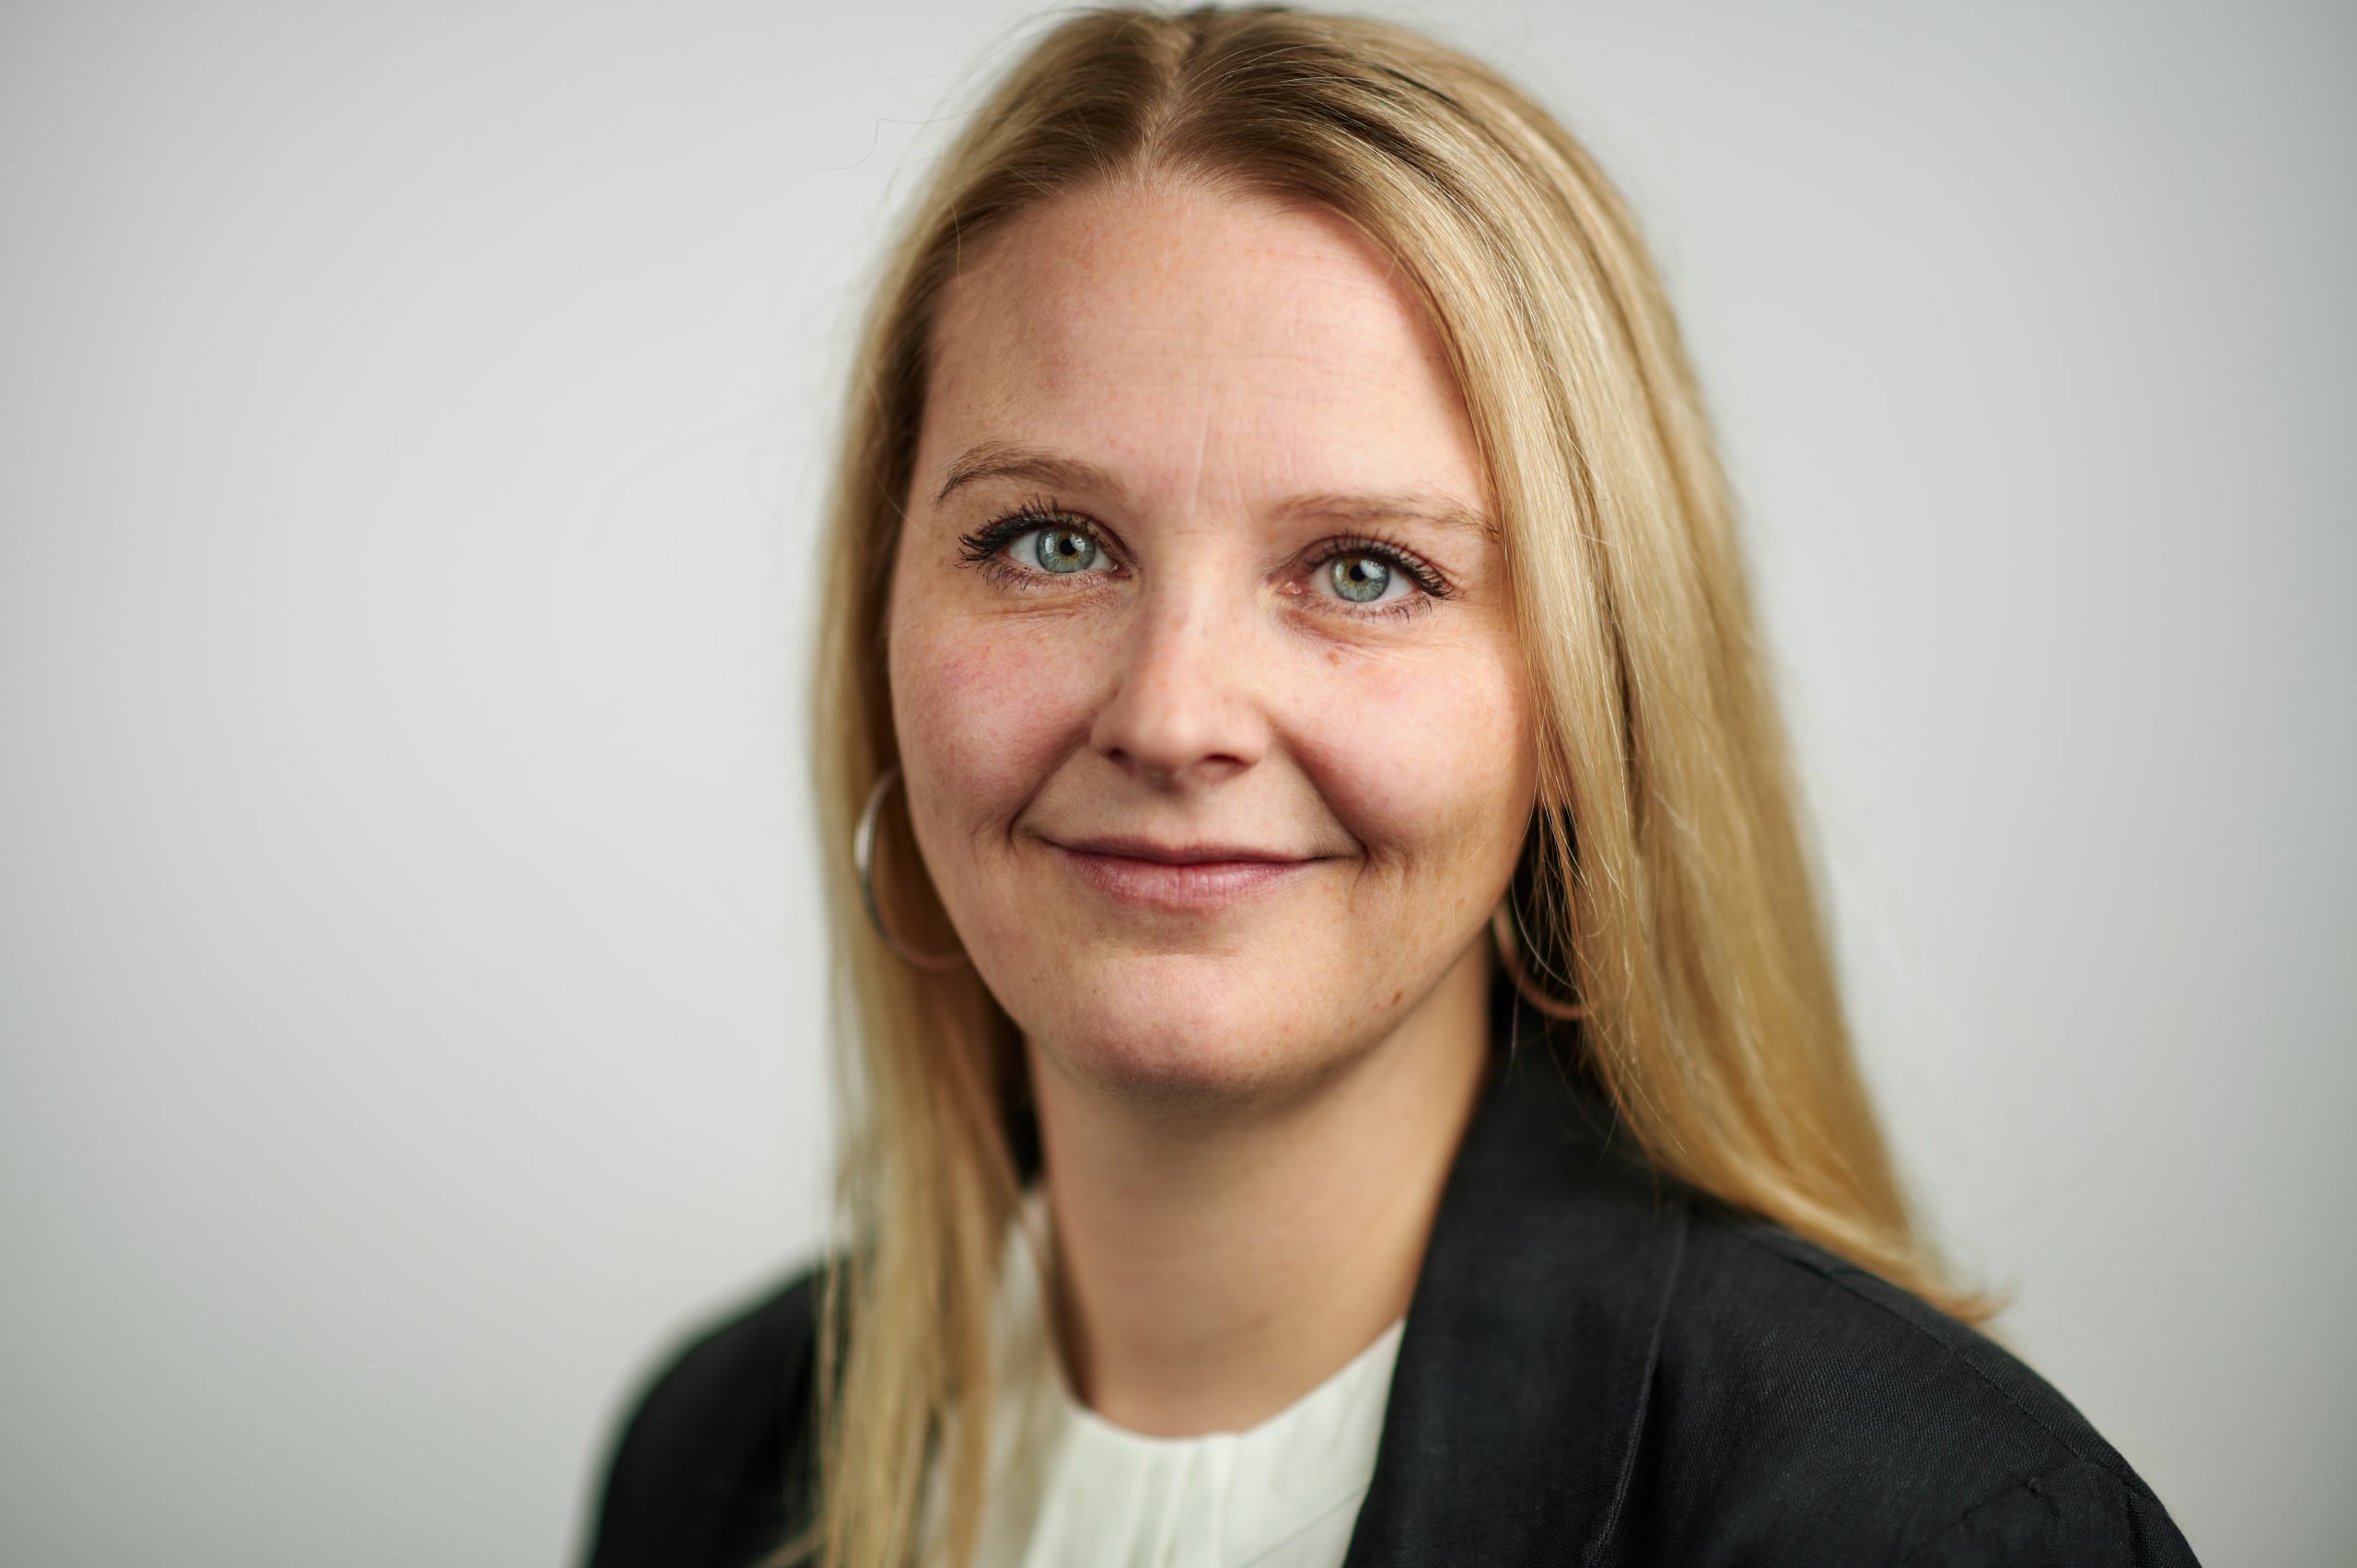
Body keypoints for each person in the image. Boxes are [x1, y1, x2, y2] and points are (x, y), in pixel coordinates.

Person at [584, 6, 2200, 1565]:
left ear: (1583, 699)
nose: (1173, 717)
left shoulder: (1923, 1527)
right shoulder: (714, 1459)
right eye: (1050, 544)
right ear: (884, 619)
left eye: (1365, 570)